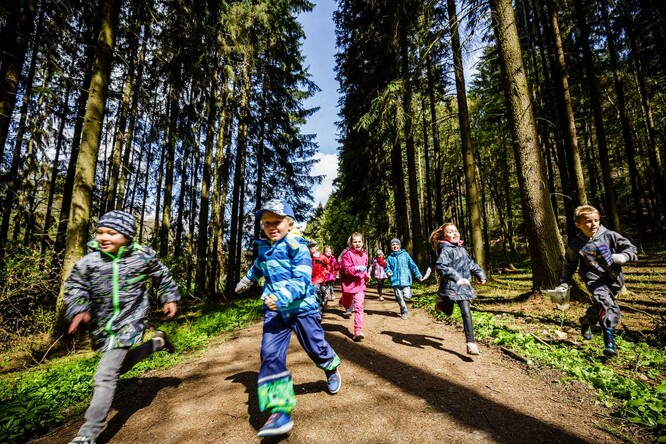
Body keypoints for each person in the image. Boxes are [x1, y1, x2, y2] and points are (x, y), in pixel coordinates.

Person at [64, 210, 180, 444]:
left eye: (111, 233)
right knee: (118, 367)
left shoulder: (141, 256)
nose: (104, 237)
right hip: (102, 325)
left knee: (105, 375)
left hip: (130, 320)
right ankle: (157, 342)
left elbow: (161, 275)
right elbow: (75, 286)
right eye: (100, 232)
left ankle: (88, 433)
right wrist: (78, 308)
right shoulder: (89, 261)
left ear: (127, 236)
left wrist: (168, 297)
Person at [235, 199, 342, 437]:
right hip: (275, 311)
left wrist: (283, 296)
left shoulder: (297, 246)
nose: (271, 227)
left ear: (290, 223)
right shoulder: (264, 248)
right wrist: (247, 280)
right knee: (270, 354)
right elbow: (258, 266)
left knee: (315, 346)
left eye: (277, 222)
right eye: (266, 223)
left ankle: (331, 367)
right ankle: (280, 411)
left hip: (302, 308)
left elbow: (302, 279)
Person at [555, 205, 637, 357]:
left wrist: (623, 256)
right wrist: (565, 282)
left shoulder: (610, 236)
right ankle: (609, 341)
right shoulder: (576, 243)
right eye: (588, 221)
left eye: (596, 220)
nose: (593, 224)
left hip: (614, 280)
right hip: (593, 279)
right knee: (607, 304)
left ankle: (586, 320)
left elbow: (631, 249)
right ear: (578, 224)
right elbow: (570, 263)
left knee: (600, 306)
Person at [429, 223, 486, 355]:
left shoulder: (462, 249)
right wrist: (456, 277)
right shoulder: (445, 250)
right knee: (448, 312)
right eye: (450, 232)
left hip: (463, 286)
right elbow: (441, 266)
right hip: (450, 287)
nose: (455, 233)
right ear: (444, 236)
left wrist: (480, 274)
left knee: (466, 312)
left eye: (456, 231)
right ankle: (440, 305)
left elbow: (470, 264)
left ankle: (471, 343)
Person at [385, 238, 428, 320]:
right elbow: (387, 268)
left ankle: (409, 294)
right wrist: (388, 272)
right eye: (393, 245)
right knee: (399, 298)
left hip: (405, 280)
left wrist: (418, 275)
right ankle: (404, 311)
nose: (395, 246)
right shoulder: (389, 258)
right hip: (395, 281)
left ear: (400, 246)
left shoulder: (405, 255)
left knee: (407, 296)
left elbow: (413, 266)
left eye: (397, 244)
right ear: (390, 247)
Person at [339, 232, 370, 341]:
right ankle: (343, 300)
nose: (357, 244)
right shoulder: (347, 254)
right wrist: (357, 269)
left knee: (359, 307)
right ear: (351, 243)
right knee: (347, 304)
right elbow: (346, 269)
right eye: (355, 242)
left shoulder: (365, 256)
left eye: (359, 241)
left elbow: (364, 269)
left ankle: (357, 331)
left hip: (360, 285)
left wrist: (366, 276)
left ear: (363, 242)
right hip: (348, 285)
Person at [309, 240, 330, 311]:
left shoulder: (322, 257)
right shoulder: (307, 256)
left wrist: (327, 270)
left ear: (317, 247)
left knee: (315, 290)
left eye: (313, 246)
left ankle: (319, 309)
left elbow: (328, 264)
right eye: (310, 246)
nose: (312, 247)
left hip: (319, 278)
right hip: (310, 278)